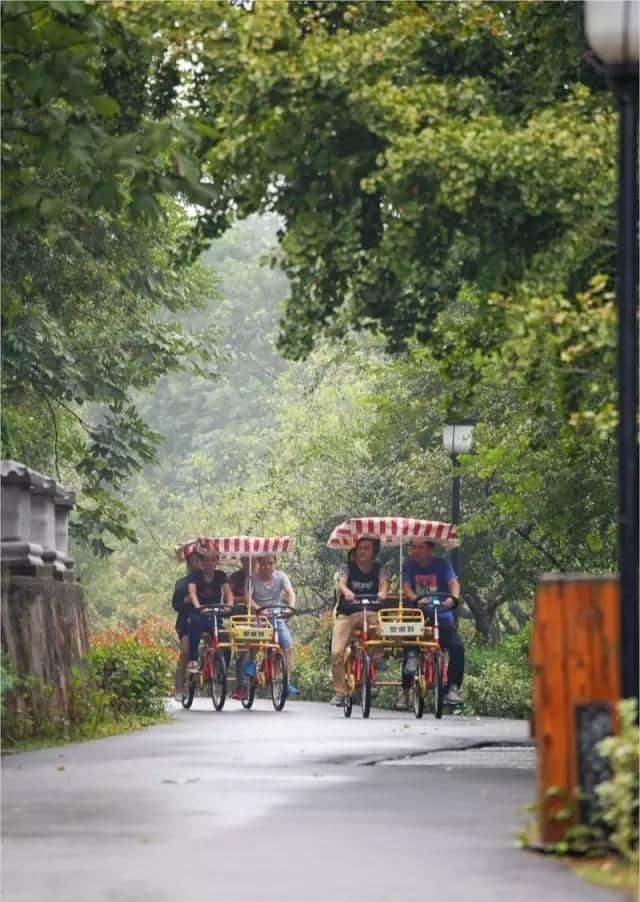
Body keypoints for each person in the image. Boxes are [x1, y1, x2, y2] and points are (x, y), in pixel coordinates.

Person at [397, 538, 464, 709]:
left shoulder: (443, 564)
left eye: (420, 547)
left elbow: (453, 583)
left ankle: (453, 689)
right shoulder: (408, 565)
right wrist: (415, 599)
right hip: (418, 612)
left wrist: (453, 598)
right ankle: (405, 690)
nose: (415, 551)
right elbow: (406, 587)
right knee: (410, 644)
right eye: (413, 547)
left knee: (457, 647)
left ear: (431, 550)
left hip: (441, 614)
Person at [329, 537, 388, 706]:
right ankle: (340, 691)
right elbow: (341, 583)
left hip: (369, 611)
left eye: (366, 548)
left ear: (374, 552)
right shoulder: (347, 567)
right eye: (360, 548)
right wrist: (346, 592)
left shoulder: (379, 568)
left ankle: (374, 662)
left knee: (378, 626)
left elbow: (384, 584)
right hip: (347, 614)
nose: (362, 551)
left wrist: (383, 593)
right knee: (336, 652)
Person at [244, 554, 299, 697]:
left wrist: (290, 608)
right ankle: (251, 661)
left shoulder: (281, 577)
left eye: (270, 563)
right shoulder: (253, 579)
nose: (267, 567)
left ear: (275, 564)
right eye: (264, 564)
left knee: (288, 645)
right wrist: (259, 610)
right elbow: (247, 599)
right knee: (256, 637)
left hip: (277, 616)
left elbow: (290, 593)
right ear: (258, 564)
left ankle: (287, 682)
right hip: (260, 616)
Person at [186, 550, 233, 673]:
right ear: (202, 562)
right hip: (199, 614)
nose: (210, 563)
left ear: (217, 561)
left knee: (225, 639)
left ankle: (221, 671)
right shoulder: (195, 575)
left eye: (213, 560)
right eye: (207, 560)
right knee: (194, 625)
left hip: (215, 615)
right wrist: (198, 607)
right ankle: (193, 659)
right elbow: (192, 593)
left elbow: (228, 592)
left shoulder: (220, 575)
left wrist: (229, 606)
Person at [172, 551, 202, 700]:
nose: (197, 564)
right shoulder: (182, 583)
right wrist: (187, 600)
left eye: (199, 561)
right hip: (185, 620)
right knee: (185, 652)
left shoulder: (208, 580)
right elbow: (175, 604)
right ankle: (178, 686)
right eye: (193, 561)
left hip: (205, 618)